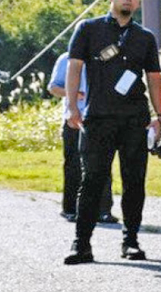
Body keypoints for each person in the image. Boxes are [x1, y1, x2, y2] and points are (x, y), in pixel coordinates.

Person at [63, 0, 161, 264]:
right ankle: (81, 244)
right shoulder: (88, 29)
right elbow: (74, 68)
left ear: (138, 1)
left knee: (134, 182)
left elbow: (154, 79)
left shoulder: (144, 37)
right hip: (98, 118)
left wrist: (159, 117)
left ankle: (130, 241)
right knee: (92, 181)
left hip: (135, 120)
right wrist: (72, 107)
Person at [47, 52, 114, 224]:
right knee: (74, 164)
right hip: (75, 118)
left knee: (103, 164)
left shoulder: (105, 56)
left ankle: (103, 210)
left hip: (102, 117)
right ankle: (70, 209)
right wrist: (73, 93)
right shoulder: (66, 58)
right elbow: (53, 87)